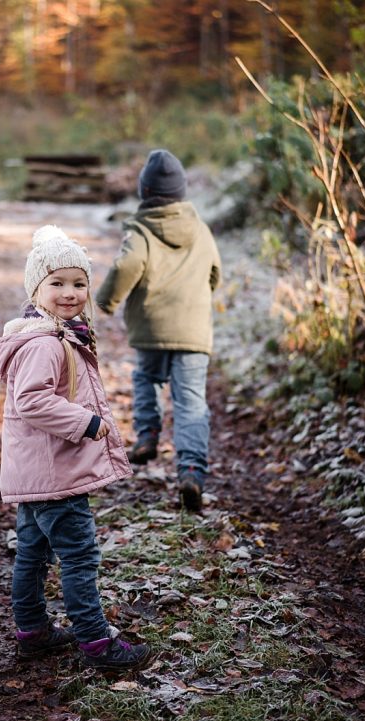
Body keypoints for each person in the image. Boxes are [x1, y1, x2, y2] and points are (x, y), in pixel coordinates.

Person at [0, 225, 150, 671]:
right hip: (56, 473)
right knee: (79, 557)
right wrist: (86, 422)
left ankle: (33, 631)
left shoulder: (57, 334)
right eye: (56, 283)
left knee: (33, 553)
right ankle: (97, 644)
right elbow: (32, 401)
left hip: (39, 471)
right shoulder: (46, 342)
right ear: (36, 289)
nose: (70, 292)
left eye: (79, 283)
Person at [95, 148, 222, 511]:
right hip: (194, 332)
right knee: (191, 402)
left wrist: (106, 301)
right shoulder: (201, 229)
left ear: (145, 194)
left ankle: (148, 435)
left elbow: (128, 265)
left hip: (151, 326)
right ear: (182, 192)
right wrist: (198, 296)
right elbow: (215, 272)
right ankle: (192, 470)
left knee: (147, 378)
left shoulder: (142, 230)